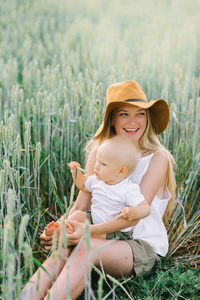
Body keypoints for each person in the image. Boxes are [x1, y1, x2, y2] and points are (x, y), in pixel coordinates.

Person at [21, 80, 176, 300]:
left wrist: (83, 234)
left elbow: (132, 220)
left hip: (136, 244)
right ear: (112, 119)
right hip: (99, 232)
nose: (133, 121)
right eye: (124, 114)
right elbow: (81, 206)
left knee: (87, 246)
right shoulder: (100, 152)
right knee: (73, 223)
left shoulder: (157, 158)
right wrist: (59, 229)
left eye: (140, 114)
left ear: (147, 118)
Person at [45, 136, 150, 242]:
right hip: (93, 220)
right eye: (97, 161)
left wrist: (134, 212)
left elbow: (145, 208)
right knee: (78, 215)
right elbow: (83, 185)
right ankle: (61, 229)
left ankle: (68, 234)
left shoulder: (128, 189)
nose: (96, 167)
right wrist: (76, 173)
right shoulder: (97, 179)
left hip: (116, 232)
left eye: (103, 164)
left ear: (121, 171)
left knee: (91, 237)